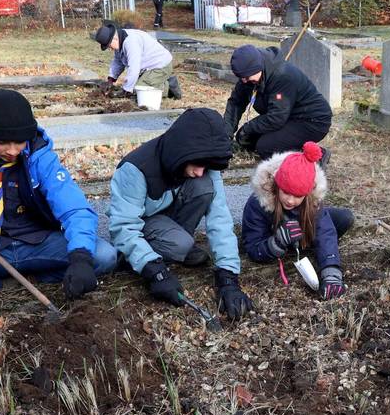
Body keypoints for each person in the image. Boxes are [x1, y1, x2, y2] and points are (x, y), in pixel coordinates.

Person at [0, 89, 116, 296]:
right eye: (2, 142)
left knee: (103, 255)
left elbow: (75, 209)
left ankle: (37, 277)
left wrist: (80, 258)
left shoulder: (40, 156)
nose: (12, 150)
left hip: (38, 242)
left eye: (19, 141)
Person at [107, 108, 253, 319]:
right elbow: (123, 227)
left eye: (206, 165)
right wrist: (154, 270)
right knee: (181, 244)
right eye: (197, 165)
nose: (200, 171)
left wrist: (228, 277)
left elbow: (219, 218)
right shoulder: (136, 168)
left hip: (168, 220)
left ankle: (176, 245)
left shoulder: (203, 162)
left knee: (204, 186)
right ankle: (145, 255)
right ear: (182, 151)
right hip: (142, 224)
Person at [241, 141, 354, 300]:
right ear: (277, 185)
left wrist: (332, 275)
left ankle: (303, 242)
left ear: (307, 194)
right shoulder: (258, 203)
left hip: (301, 224)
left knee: (342, 219)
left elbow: (325, 233)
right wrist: (277, 242)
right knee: (327, 224)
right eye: (286, 192)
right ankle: (297, 243)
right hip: (275, 237)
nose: (291, 200)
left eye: (298, 195)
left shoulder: (312, 201)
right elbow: (252, 247)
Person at [224, 44, 332, 160]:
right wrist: (225, 136)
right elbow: (236, 103)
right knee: (249, 141)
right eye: (240, 77)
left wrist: (248, 128)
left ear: (258, 67)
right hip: (287, 116)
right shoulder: (249, 76)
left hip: (312, 120)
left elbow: (276, 118)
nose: (243, 81)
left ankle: (316, 155)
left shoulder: (283, 76)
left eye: (246, 77)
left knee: (266, 147)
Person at [93, 21, 182, 100]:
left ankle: (169, 86)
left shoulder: (131, 42)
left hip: (160, 65)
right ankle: (157, 81)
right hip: (148, 68)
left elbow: (134, 68)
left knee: (140, 90)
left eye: (109, 46)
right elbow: (117, 61)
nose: (110, 48)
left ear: (114, 39)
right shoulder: (120, 39)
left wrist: (126, 90)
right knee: (136, 88)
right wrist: (111, 80)